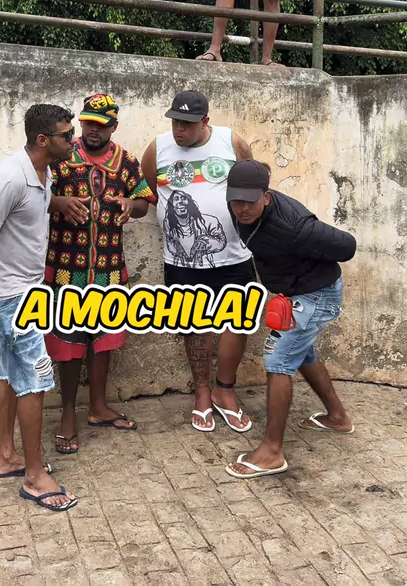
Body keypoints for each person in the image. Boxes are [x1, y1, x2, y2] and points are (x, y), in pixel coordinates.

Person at [0, 104, 79, 512]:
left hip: (18, 292)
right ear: (43, 140)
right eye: (66, 135)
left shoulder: (41, 174)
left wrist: (58, 202)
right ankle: (36, 477)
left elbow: (24, 217)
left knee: (7, 372)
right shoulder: (10, 178)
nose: (73, 140)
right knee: (35, 381)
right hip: (11, 299)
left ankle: (6, 456)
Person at [224, 159, 356, 480]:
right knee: (302, 353)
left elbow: (347, 246)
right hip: (296, 292)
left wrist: (307, 252)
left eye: (250, 201)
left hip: (317, 294)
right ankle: (337, 417)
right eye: (237, 200)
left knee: (278, 359)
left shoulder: (296, 226)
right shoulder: (239, 208)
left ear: (266, 197)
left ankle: (272, 451)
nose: (242, 209)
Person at [44, 93, 156, 454]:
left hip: (109, 270)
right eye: (88, 123)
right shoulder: (61, 157)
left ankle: (98, 407)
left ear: (113, 126)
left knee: (103, 340)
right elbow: (33, 196)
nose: (93, 130)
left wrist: (130, 205)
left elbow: (144, 200)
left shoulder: (126, 162)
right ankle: (67, 414)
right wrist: (58, 203)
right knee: (68, 344)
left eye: (101, 125)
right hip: (66, 269)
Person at [141, 90, 256, 433]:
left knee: (237, 323)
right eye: (175, 121)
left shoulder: (231, 142)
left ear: (205, 121)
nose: (180, 129)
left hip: (234, 255)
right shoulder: (158, 148)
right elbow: (152, 192)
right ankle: (203, 393)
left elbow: (251, 184)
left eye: (188, 124)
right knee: (194, 325)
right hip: (182, 262)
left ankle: (225, 390)